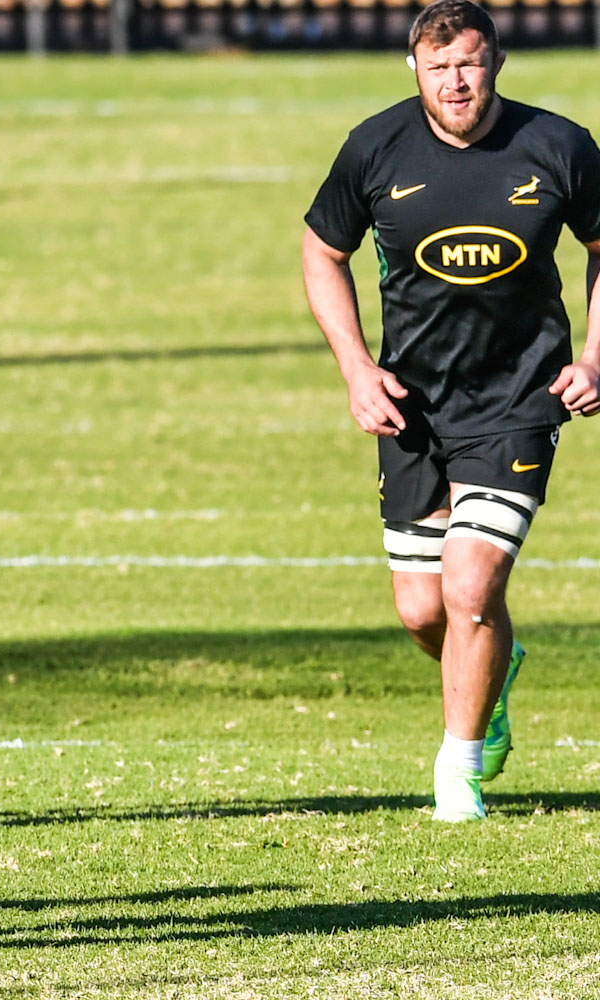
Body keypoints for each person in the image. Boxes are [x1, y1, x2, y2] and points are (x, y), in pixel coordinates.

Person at [302, 0, 600, 822]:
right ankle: (492, 675)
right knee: (422, 609)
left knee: (472, 587)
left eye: (468, 63)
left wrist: (595, 357)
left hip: (518, 400)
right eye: (439, 68)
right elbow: (323, 252)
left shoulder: (560, 146)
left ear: (495, 59)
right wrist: (357, 369)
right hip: (413, 406)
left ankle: (458, 775)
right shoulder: (376, 147)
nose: (456, 82)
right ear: (415, 70)